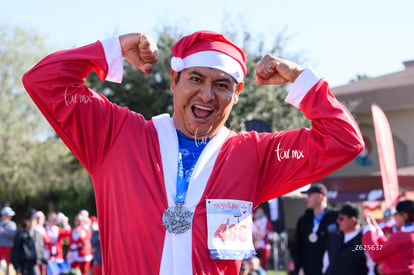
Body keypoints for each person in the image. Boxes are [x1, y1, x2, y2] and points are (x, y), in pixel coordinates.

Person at [22, 30, 364, 274]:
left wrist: (301, 78)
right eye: (195, 79)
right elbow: (45, 80)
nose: (206, 95)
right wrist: (113, 47)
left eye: (221, 85)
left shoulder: (254, 155)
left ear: (237, 94)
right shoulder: (117, 136)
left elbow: (343, 140)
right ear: (174, 81)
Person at [290, 183, 339, 275]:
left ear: (320, 197)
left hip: (331, 270)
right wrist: (299, 267)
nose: (306, 199)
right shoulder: (304, 220)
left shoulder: (336, 217)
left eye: (309, 195)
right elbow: (296, 247)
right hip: (308, 270)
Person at [363, 199, 414, 275]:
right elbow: (390, 248)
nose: (395, 217)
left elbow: (376, 255)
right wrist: (379, 234)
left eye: (396, 214)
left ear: (404, 215)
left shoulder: (402, 236)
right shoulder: (407, 234)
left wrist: (369, 232)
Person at [323, 203, 374, 275]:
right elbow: (326, 263)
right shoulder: (334, 237)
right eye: (338, 218)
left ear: (352, 220)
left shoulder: (365, 238)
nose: (338, 221)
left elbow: (371, 267)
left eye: (341, 219)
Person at [10, 208, 46, 275]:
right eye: (30, 220)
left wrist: (43, 259)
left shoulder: (37, 234)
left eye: (34, 220)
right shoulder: (20, 234)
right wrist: (17, 267)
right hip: (24, 263)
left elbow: (40, 248)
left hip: (34, 262)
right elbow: (15, 251)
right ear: (25, 221)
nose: (32, 223)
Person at [0, 206, 17, 275]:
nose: (9, 217)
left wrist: (3, 231)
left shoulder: (12, 224)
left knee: (9, 265)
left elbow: (13, 234)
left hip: (9, 247)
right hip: (0, 247)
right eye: (8, 215)